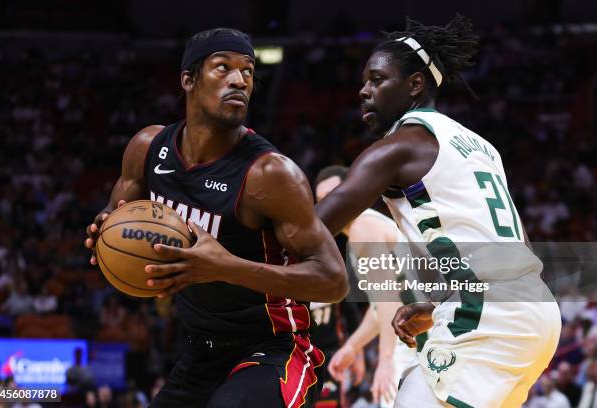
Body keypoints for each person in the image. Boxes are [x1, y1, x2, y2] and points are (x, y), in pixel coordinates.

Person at [84, 28, 348, 407]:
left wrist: (226, 267)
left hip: (277, 350)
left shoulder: (270, 174)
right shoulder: (147, 149)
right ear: (188, 80)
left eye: (248, 71)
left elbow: (334, 280)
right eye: (222, 68)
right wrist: (104, 229)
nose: (239, 80)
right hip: (201, 351)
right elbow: (118, 216)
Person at [316, 15, 561, 408]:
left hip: (490, 317)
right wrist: (437, 304)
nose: (364, 91)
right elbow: (513, 246)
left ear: (415, 84)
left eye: (377, 80)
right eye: (364, 81)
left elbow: (313, 226)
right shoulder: (479, 145)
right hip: (535, 309)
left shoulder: (402, 144)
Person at [313, 165, 401, 407]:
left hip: (430, 331)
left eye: (334, 195)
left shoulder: (364, 227)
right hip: (418, 328)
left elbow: (388, 297)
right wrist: (352, 346)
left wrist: (386, 358)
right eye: (321, 200)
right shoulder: (359, 233)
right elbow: (381, 308)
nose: (329, 205)